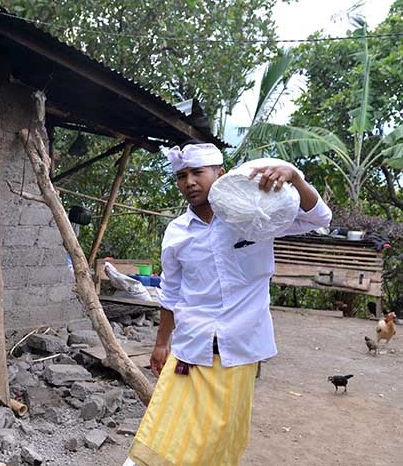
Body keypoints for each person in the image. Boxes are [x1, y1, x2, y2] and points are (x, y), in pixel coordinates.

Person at [125, 143, 332, 466]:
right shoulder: (176, 233)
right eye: (181, 176)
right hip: (190, 348)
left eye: (197, 173)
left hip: (239, 350)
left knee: (219, 439)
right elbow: (171, 293)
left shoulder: (255, 216)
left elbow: (320, 217)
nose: (189, 182)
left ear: (220, 174)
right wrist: (161, 343)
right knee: (164, 430)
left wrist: (294, 177)